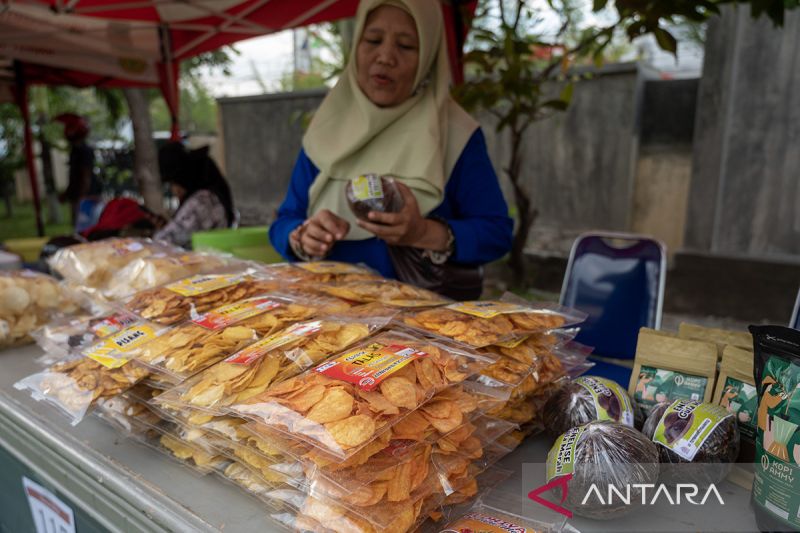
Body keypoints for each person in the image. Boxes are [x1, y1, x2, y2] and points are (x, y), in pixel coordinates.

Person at [270, 0, 513, 299]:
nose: (385, 56)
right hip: (328, 320)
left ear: (427, 58)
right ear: (356, 45)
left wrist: (423, 232)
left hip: (422, 330)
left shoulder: (455, 134)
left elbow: (496, 233)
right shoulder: (328, 129)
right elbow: (284, 221)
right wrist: (303, 236)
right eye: (372, 40)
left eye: (407, 46)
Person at [154, 142, 234, 248]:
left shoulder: (203, 200)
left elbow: (164, 241)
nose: (174, 190)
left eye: (173, 183)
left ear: (183, 178)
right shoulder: (209, 196)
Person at [56, 113, 103, 231]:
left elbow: (85, 174)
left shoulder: (84, 151)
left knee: (85, 227)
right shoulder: (75, 151)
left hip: (86, 195)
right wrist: (68, 193)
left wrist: (82, 197)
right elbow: (75, 175)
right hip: (80, 195)